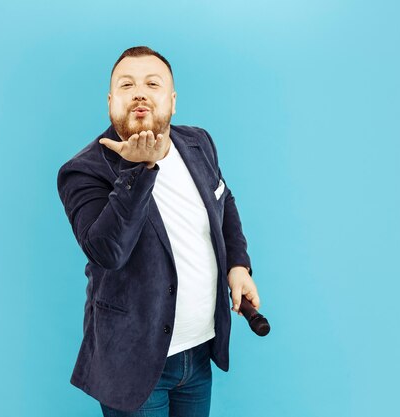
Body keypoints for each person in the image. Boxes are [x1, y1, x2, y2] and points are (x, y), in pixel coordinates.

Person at [57, 46, 261, 416]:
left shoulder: (198, 143)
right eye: (127, 84)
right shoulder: (83, 170)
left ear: (172, 100)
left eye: (153, 83)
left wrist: (238, 265)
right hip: (134, 366)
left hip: (199, 354)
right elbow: (108, 251)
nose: (140, 92)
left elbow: (223, 198)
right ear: (110, 101)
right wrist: (137, 170)